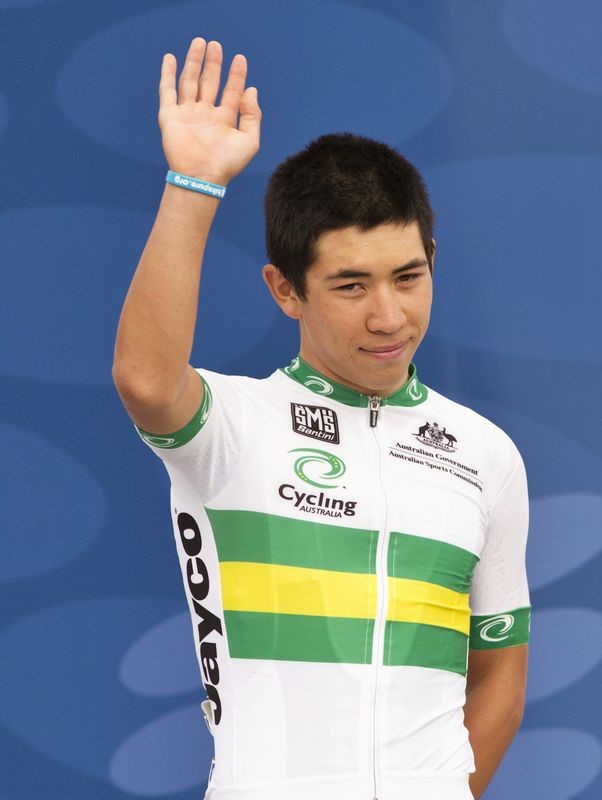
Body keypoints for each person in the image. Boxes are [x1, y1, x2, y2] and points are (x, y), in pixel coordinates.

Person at [112, 37, 530, 800]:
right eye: (350, 286)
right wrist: (195, 183)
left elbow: (501, 668)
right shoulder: (232, 428)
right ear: (284, 290)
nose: (388, 315)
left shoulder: (487, 454)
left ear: (433, 257)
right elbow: (144, 379)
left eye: (409, 276)